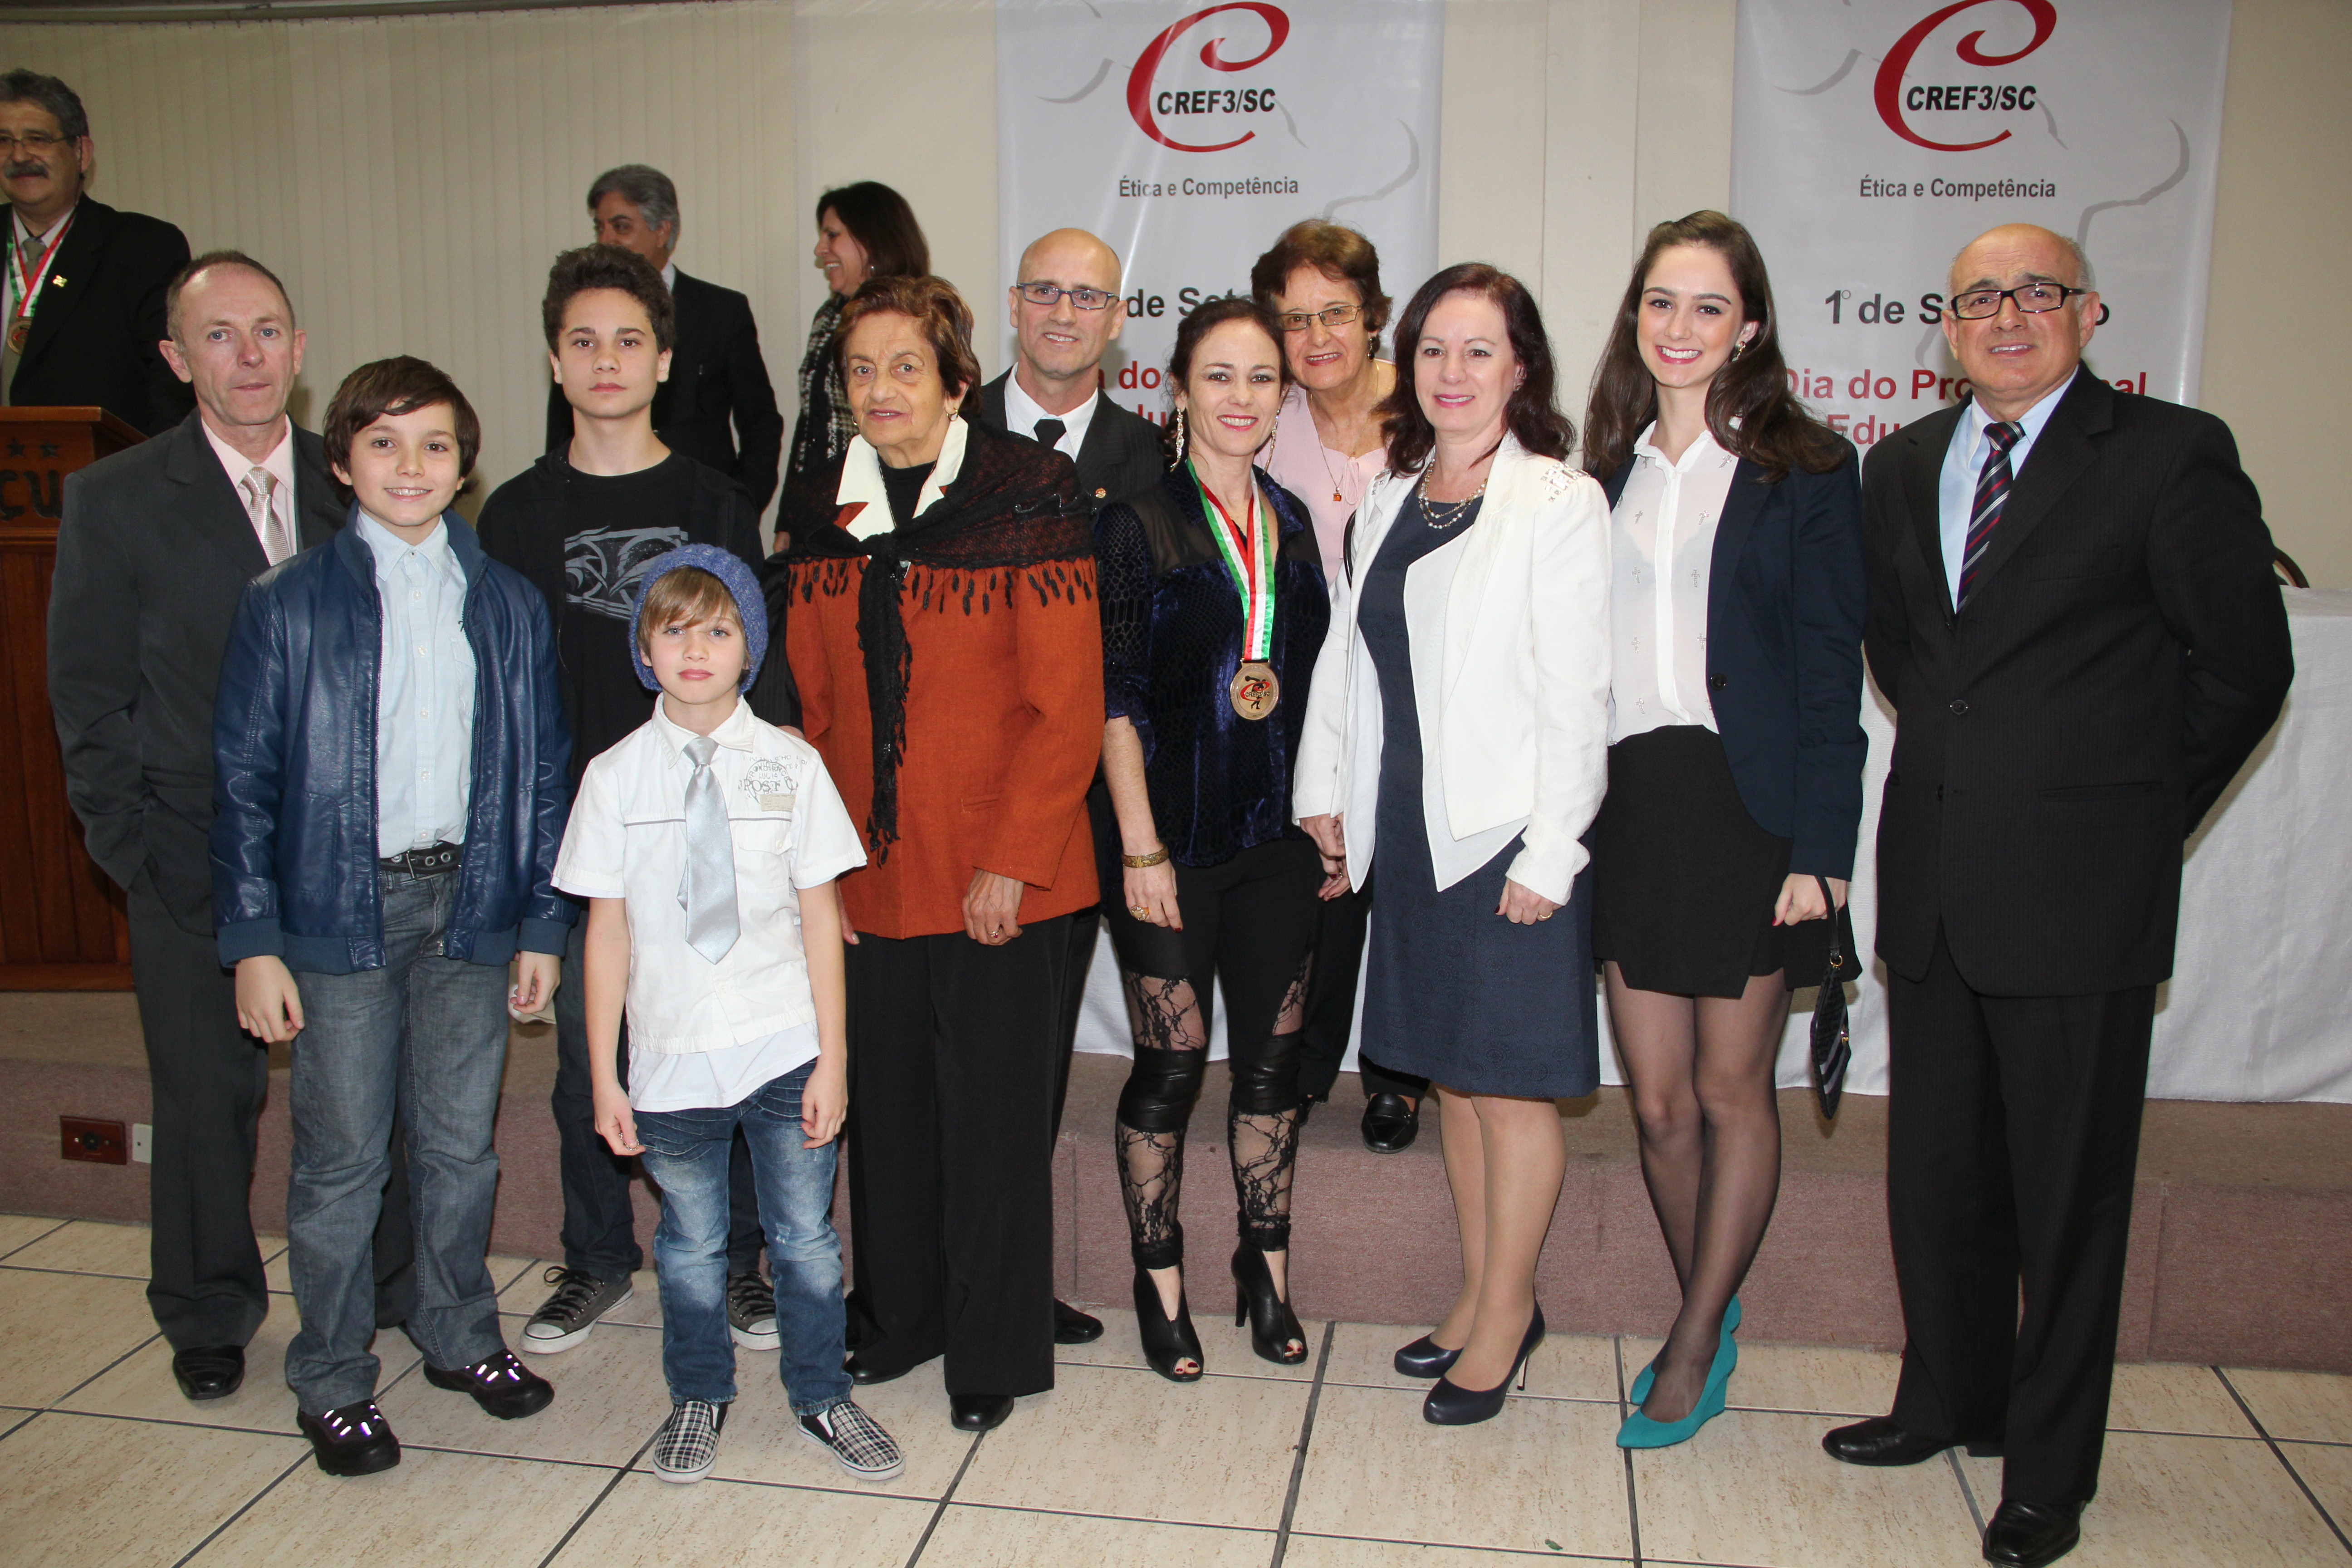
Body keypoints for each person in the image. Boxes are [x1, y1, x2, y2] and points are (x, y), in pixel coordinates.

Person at [1827, 223, 2291, 1568]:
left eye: (2036, 292)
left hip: (2082, 894)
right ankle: (1947, 1399)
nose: (2007, 315)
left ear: (2088, 314)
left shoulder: (2168, 454)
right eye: (1980, 297)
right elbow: (1906, 653)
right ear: (1946, 326)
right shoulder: (1902, 463)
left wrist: (2127, 814)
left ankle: (2046, 1469)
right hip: (1936, 883)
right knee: (1939, 1178)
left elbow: (2244, 668)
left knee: (2067, 1200)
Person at [212, 357, 576, 1476]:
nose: (409, 465)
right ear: (340, 461)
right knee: (342, 1162)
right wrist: (254, 940)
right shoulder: (285, 603)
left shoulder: (509, 603)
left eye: (434, 445)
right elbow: (243, 782)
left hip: (471, 904)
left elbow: (544, 774)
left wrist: (541, 923)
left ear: (465, 466)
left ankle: (458, 1330)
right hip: (342, 912)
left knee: (462, 1147)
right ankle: (331, 1375)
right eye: (382, 442)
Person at [782, 274, 1100, 1433]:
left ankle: (992, 1349)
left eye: (905, 367)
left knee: (993, 1123)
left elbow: (1067, 707)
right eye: (860, 370)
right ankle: (900, 1316)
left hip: (1005, 872)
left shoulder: (1028, 493)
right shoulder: (821, 508)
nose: (881, 390)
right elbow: (807, 711)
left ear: (956, 381)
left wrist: (1012, 858)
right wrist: (820, 877)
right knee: (892, 1113)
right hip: (869, 873)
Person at [1294, 264, 1610, 1427]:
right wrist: (1325, 793)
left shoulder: (1558, 500)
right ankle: (1479, 1294)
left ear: (1520, 366)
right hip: (1412, 831)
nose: (1453, 372)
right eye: (1433, 348)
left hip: (1505, 836)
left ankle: (1509, 1313)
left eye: (1480, 350)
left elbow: (1579, 692)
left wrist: (1551, 850)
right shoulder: (1390, 494)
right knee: (1456, 1085)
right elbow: (1347, 659)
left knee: (1510, 1090)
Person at [1578, 211, 1866, 1448]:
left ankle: (1695, 1337)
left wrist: (1823, 853)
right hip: (1632, 807)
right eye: (1660, 301)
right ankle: (1714, 1294)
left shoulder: (1807, 469)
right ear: (1634, 315)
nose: (1680, 326)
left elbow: (1829, 675)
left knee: (1729, 1086)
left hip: (1751, 813)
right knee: (1656, 1104)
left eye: (1707, 306)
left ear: (1748, 327)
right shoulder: (1601, 472)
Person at [48, 251, 353, 1404]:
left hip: (343, 855)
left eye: (268, 329)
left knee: (359, 1092)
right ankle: (209, 1310)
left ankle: (380, 1288)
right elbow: (87, 696)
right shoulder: (116, 498)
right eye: (219, 336)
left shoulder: (356, 480)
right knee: (203, 1100)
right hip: (188, 851)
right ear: (178, 359)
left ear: (299, 347)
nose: (249, 355)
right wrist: (131, 851)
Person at [480, 244, 775, 1360]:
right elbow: (503, 701)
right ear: (555, 362)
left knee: (725, 1053)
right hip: (579, 839)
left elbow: (764, 675)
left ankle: (738, 1265)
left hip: (709, 829)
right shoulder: (514, 515)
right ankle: (598, 1256)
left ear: (663, 361)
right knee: (585, 1062)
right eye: (584, 341)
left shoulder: (714, 501)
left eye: (629, 341)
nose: (607, 360)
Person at [558, 545, 902, 1485]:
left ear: (749, 647)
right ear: (644, 650)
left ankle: (822, 1393)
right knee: (690, 1246)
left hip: (784, 1043)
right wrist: (605, 1076)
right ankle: (698, 1393)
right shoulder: (614, 777)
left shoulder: (791, 765)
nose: (696, 650)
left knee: (805, 1240)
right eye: (673, 631)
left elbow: (821, 920)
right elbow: (606, 936)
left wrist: (834, 1060)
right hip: (671, 1054)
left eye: (718, 630)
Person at [1094, 297, 1329, 1381]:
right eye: (1220, 375)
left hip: (1276, 841)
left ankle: (1265, 1268)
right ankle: (1160, 1279)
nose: (1242, 397)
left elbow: (1320, 687)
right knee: (1172, 1064)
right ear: (1180, 389)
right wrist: (1139, 847)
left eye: (1262, 378)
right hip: (1170, 847)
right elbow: (1115, 700)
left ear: (1283, 396)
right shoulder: (1136, 524)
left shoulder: (1294, 519)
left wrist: (1326, 810)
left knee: (1272, 1068)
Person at [970, 225, 1162, 1350]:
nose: (1061, 312)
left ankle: (1006, 1283)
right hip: (953, 799)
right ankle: (920, 1274)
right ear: (1012, 303)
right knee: (941, 1054)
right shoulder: (944, 434)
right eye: (1043, 291)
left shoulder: (1150, 457)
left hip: (1088, 806)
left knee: (1031, 1059)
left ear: (1117, 319)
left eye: (1086, 297)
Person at [1250, 218, 1429, 1154]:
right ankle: (1307, 1063)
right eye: (1294, 319)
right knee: (1317, 883)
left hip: (1414, 684)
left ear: (1373, 317)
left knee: (1405, 881)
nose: (1315, 337)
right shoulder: (1262, 417)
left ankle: (1398, 1076)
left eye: (1334, 313)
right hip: (1299, 693)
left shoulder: (1431, 408)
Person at [540, 165, 784, 517]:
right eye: (600, 227)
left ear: (662, 230)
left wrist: (740, 505)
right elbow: (562, 425)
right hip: (598, 507)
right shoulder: (582, 312)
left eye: (621, 227)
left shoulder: (721, 311)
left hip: (701, 509)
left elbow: (760, 421)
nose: (606, 239)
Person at [0, 69, 191, 432]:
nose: (19, 155)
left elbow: (171, 388)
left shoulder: (144, 248)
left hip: (99, 462)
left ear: (81, 153)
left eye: (38, 139)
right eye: (4, 140)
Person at [784, 181, 926, 499]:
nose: (820, 250)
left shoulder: (918, 317)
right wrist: (793, 507)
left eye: (833, 235)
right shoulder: (829, 316)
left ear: (871, 240)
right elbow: (811, 422)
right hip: (819, 495)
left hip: (881, 496)